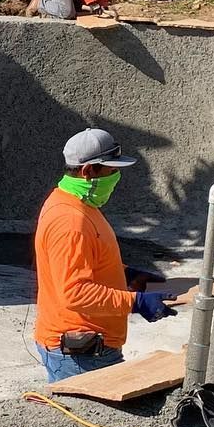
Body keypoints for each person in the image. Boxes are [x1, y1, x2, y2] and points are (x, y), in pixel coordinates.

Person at [33, 127, 177, 381]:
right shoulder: (70, 220)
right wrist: (136, 302)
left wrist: (127, 276)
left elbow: (87, 260)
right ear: (88, 171)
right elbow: (75, 293)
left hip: (87, 349)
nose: (116, 177)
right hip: (81, 355)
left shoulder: (77, 204)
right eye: (112, 171)